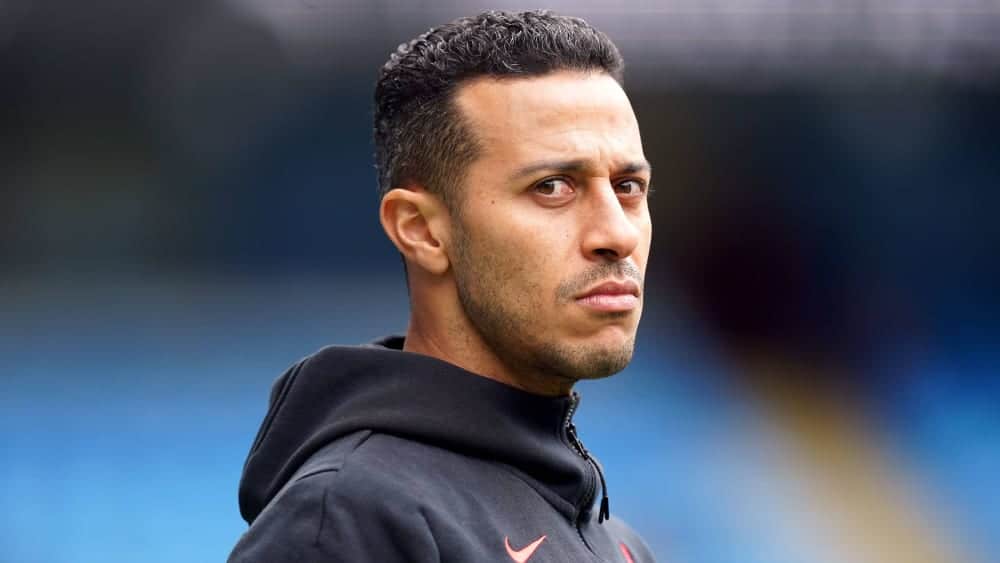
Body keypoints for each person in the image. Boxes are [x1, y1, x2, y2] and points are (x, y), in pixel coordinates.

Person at [228, 10, 655, 562]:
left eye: (628, 186)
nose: (617, 234)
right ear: (422, 229)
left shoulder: (621, 544)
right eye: (552, 187)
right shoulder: (348, 520)